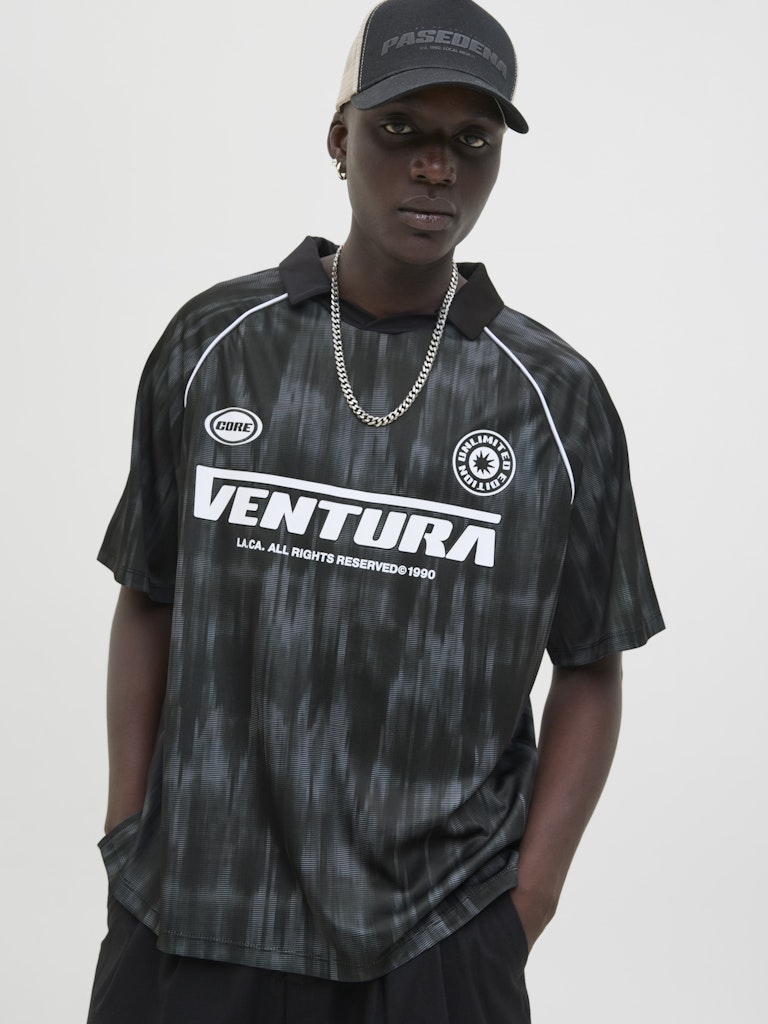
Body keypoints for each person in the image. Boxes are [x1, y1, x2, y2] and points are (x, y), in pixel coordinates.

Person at [87, 1, 664, 1021]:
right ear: (339, 138)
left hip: (434, 939)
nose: (435, 168)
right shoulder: (215, 343)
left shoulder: (552, 396)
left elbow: (592, 665)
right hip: (193, 914)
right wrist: (127, 832)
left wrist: (524, 906)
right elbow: (148, 592)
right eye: (401, 130)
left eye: (471, 141)